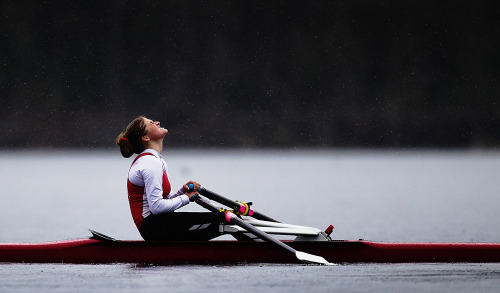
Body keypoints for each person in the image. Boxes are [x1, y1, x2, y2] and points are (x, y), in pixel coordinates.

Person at [116, 116, 223, 241]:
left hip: (159, 224)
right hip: (153, 228)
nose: (157, 122)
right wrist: (186, 198)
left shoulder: (155, 160)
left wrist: (182, 192)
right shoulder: (150, 163)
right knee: (224, 221)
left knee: (226, 219)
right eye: (151, 123)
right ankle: (248, 252)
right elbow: (156, 207)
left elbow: (162, 203)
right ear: (146, 138)